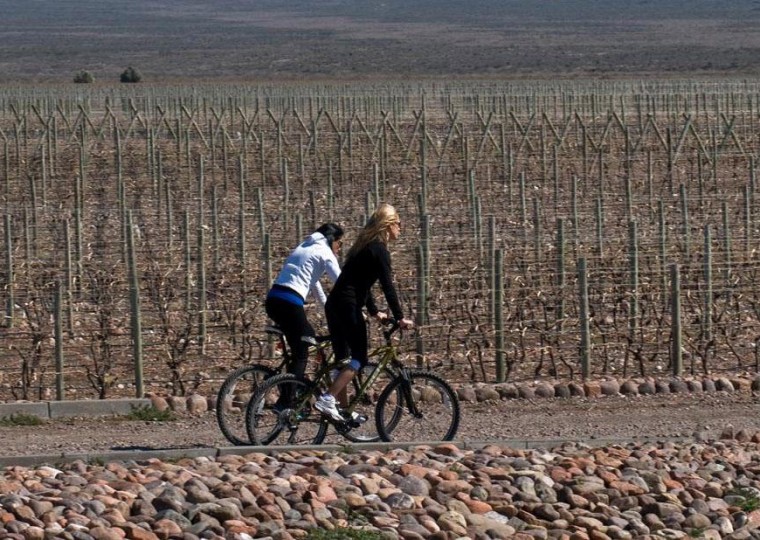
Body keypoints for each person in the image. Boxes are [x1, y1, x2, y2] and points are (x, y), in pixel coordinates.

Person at [315, 203, 414, 422]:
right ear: (388, 225)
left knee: (342, 361)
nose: (401, 228)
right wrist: (399, 317)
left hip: (335, 305)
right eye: (398, 223)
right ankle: (327, 399)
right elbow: (388, 287)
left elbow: (362, 284)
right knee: (359, 357)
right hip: (347, 306)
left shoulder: (364, 248)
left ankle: (340, 412)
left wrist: (373, 311)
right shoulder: (380, 251)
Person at [265, 223, 343, 383]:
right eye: (339, 243)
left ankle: (284, 384)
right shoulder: (325, 252)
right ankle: (286, 402)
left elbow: (316, 287)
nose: (340, 248)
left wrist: (328, 310)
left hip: (273, 301)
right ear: (332, 239)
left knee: (301, 342)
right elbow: (342, 282)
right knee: (302, 351)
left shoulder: (304, 247)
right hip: (289, 304)